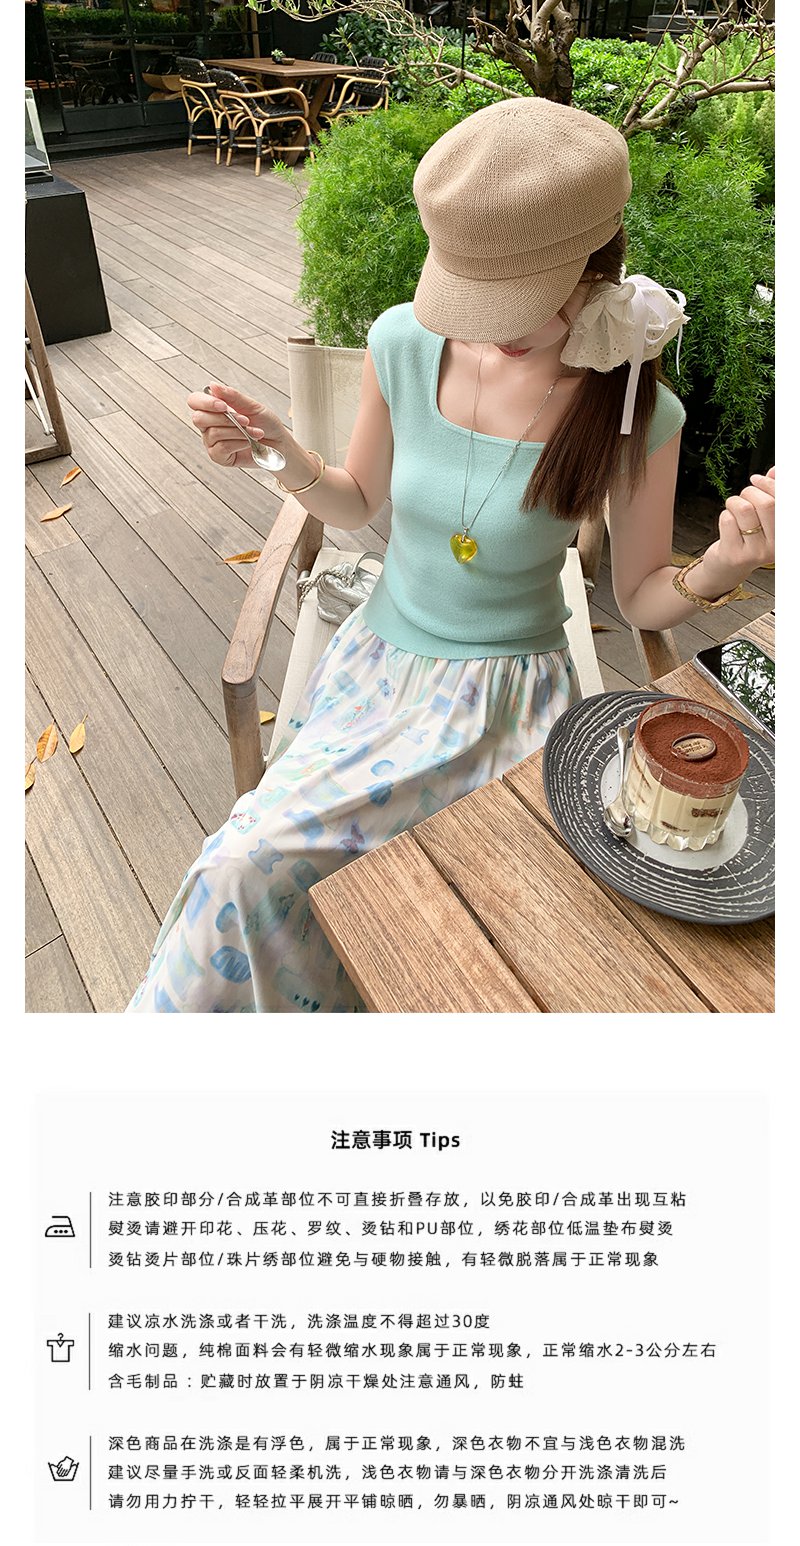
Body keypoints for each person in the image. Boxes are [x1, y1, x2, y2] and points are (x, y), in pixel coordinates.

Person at [126, 98, 775, 1014]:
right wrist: (279, 451)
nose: (484, 326)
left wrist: (724, 566)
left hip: (514, 701)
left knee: (483, 940)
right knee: (241, 871)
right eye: (470, 291)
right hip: (377, 669)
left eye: (513, 300)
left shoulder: (634, 408)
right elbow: (356, 501)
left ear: (596, 261)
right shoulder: (402, 342)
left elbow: (639, 597)